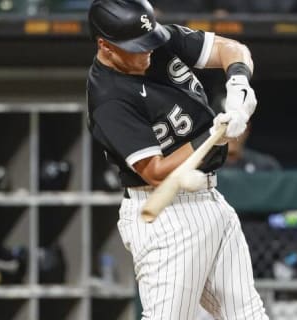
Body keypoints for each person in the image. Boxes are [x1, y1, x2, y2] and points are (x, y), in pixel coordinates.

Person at [85, 0, 268, 318]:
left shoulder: (158, 41)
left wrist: (238, 82)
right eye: (136, 48)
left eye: (148, 42)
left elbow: (231, 49)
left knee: (248, 315)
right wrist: (212, 136)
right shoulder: (108, 98)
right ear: (105, 46)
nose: (147, 53)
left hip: (210, 199)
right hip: (168, 217)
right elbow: (155, 172)